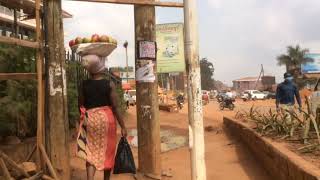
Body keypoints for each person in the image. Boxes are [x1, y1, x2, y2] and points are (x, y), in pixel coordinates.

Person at [77, 55, 127, 180]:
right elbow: (115, 107)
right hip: (107, 121)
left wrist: (84, 118)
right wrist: (123, 126)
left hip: (90, 120)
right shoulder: (109, 84)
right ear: (101, 68)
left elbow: (80, 104)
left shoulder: (84, 84)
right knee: (108, 152)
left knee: (90, 152)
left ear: (89, 70)